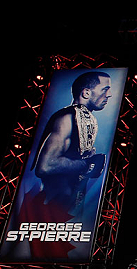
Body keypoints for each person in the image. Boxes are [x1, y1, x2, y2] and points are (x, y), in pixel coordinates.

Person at [29, 71, 111, 215]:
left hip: (68, 210)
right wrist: (86, 164)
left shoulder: (84, 117)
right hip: (50, 210)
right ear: (86, 93)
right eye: (105, 90)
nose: (108, 95)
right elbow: (45, 166)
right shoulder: (67, 117)